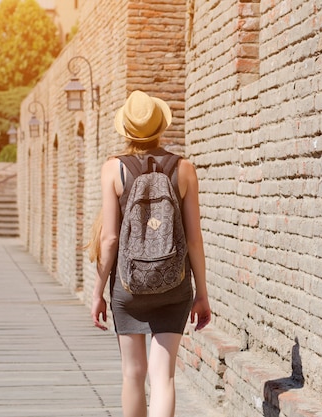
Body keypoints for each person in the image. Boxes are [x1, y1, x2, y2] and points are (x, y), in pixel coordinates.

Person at [87, 90, 211, 417]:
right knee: (163, 376)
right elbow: (195, 240)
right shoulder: (184, 169)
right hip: (175, 284)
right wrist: (202, 294)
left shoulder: (113, 169)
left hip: (127, 287)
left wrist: (98, 292)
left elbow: (110, 239)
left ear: (126, 131)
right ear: (161, 128)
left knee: (132, 373)